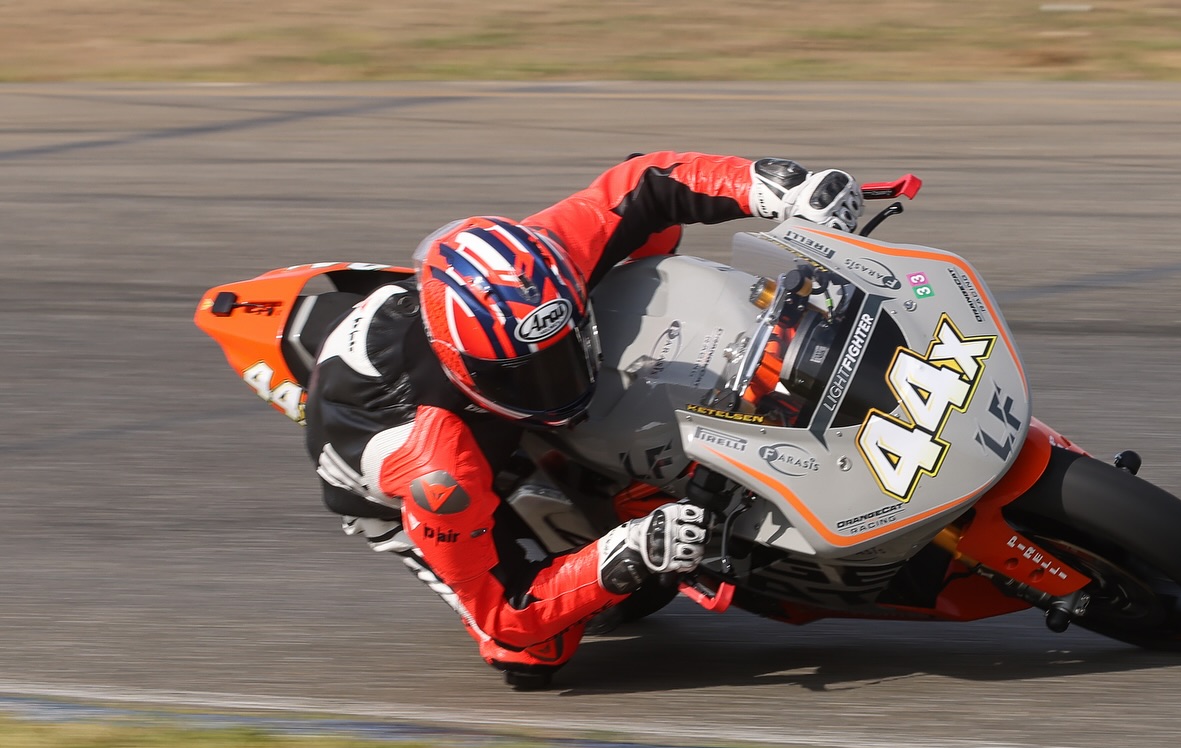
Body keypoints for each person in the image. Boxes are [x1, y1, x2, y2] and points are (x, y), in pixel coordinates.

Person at [302, 151, 865, 690]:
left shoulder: (546, 261)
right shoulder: (438, 471)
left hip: (454, 357)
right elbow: (509, 612)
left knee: (650, 236)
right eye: (529, 377)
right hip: (393, 477)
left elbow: (648, 181)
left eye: (564, 354)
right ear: (465, 368)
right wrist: (629, 552)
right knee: (533, 653)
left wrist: (775, 190)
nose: (556, 384)